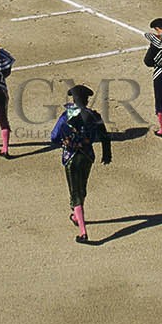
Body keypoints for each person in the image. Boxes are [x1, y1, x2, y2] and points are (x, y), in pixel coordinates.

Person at [50, 84, 112, 244]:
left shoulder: (66, 116)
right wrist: (107, 153)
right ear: (86, 100)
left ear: (73, 100)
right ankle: (77, 216)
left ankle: (83, 231)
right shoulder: (94, 116)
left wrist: (64, 141)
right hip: (87, 155)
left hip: (70, 156)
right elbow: (104, 136)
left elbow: (54, 136)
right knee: (82, 188)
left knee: (75, 191)